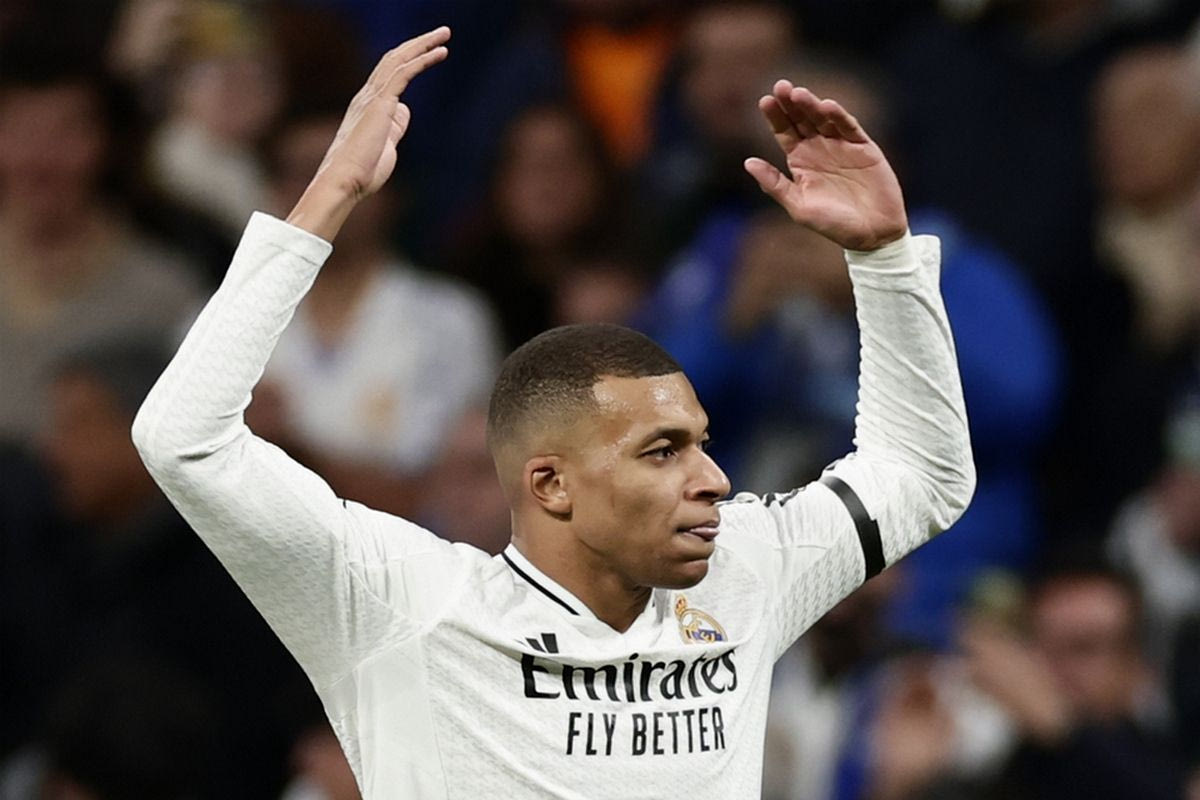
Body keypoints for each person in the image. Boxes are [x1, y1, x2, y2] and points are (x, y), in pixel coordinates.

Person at [132, 26, 974, 798]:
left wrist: (883, 258)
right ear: (551, 484)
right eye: (662, 451)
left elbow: (923, 475)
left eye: (701, 444)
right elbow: (182, 440)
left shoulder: (743, 574)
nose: (714, 480)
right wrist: (324, 202)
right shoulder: (403, 605)